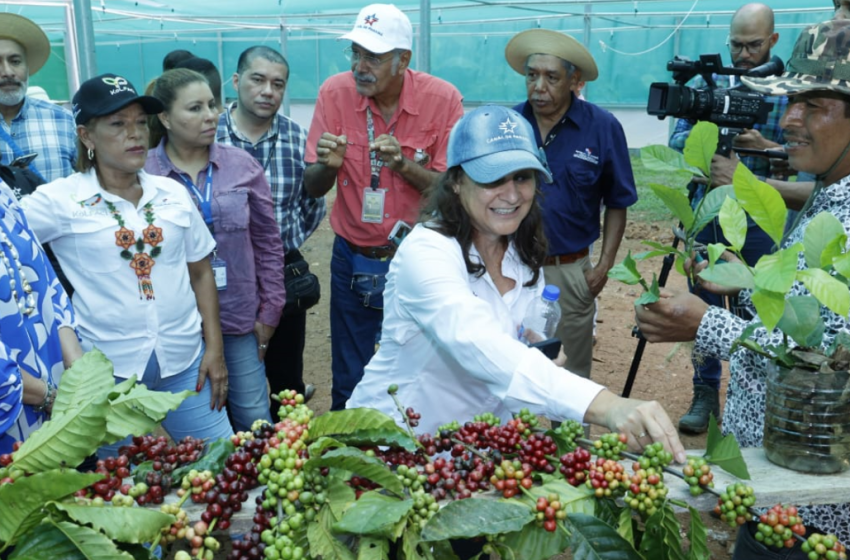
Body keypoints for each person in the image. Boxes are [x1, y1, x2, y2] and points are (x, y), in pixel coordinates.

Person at [348, 105, 685, 467]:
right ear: (457, 181)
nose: (511, 195)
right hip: (395, 450)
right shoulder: (427, 251)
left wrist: (531, 348)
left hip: (474, 455)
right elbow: (474, 340)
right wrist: (607, 405)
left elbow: (511, 343)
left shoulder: (522, 257)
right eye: (493, 179)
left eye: (523, 177)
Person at [636, 19, 850, 555]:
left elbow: (829, 361)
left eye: (815, 106)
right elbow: (806, 309)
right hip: (780, 480)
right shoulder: (829, 193)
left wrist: (705, 323)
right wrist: (748, 276)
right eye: (793, 101)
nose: (792, 119)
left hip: (814, 505)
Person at [20, 73, 234, 456]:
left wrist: (214, 349)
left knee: (221, 461)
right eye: (117, 124)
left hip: (184, 362)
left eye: (139, 122)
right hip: (108, 377)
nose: (134, 134)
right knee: (123, 490)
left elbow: (200, 271)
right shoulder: (60, 201)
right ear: (87, 136)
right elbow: (9, 239)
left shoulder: (172, 194)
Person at [304, 3, 464, 410]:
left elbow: (453, 189)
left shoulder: (442, 99)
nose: (360, 65)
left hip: (420, 259)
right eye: (355, 53)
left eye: (373, 56)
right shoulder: (334, 94)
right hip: (353, 257)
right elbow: (312, 185)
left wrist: (402, 165)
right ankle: (348, 457)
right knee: (350, 373)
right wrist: (327, 166)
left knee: (421, 368)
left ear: (402, 60)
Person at [665, 3, 803, 435]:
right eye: (736, 45)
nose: (743, 54)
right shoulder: (710, 84)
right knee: (702, 301)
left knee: (760, 306)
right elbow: (678, 141)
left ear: (773, 41)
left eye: (753, 45)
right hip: (707, 212)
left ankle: (754, 391)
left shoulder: (790, 92)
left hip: (761, 222)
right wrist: (707, 146)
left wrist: (764, 145)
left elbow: (802, 159)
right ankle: (705, 392)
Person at [145, 68, 285, 432]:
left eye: (212, 104)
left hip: (238, 317)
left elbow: (269, 244)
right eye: (195, 108)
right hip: (178, 328)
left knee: (255, 416)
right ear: (165, 117)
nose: (210, 115)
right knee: (199, 424)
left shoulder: (241, 166)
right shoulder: (144, 175)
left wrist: (270, 311)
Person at [504, 29, 636, 384]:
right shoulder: (510, 127)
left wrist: (604, 265)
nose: (538, 87)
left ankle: (574, 443)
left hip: (569, 272)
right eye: (532, 75)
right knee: (513, 370)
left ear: (575, 81)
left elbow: (618, 201)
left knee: (571, 377)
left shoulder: (602, 127)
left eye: (551, 77)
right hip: (511, 268)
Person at [217, 46, 326, 414]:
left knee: (286, 378)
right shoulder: (209, 134)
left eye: (278, 84)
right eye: (258, 79)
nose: (268, 91)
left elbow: (312, 204)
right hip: (220, 277)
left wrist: (286, 244)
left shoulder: (298, 139)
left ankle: (289, 451)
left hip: (280, 274)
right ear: (236, 81)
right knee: (227, 377)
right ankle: (235, 459)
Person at [0, 179, 82, 455]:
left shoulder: (2, 191)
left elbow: (47, 283)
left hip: (56, 409)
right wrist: (47, 397)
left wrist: (79, 376)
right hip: (15, 417)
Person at [0, 13, 76, 182]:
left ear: (28, 67)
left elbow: (91, 180)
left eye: (15, 61)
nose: (7, 72)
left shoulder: (63, 120)